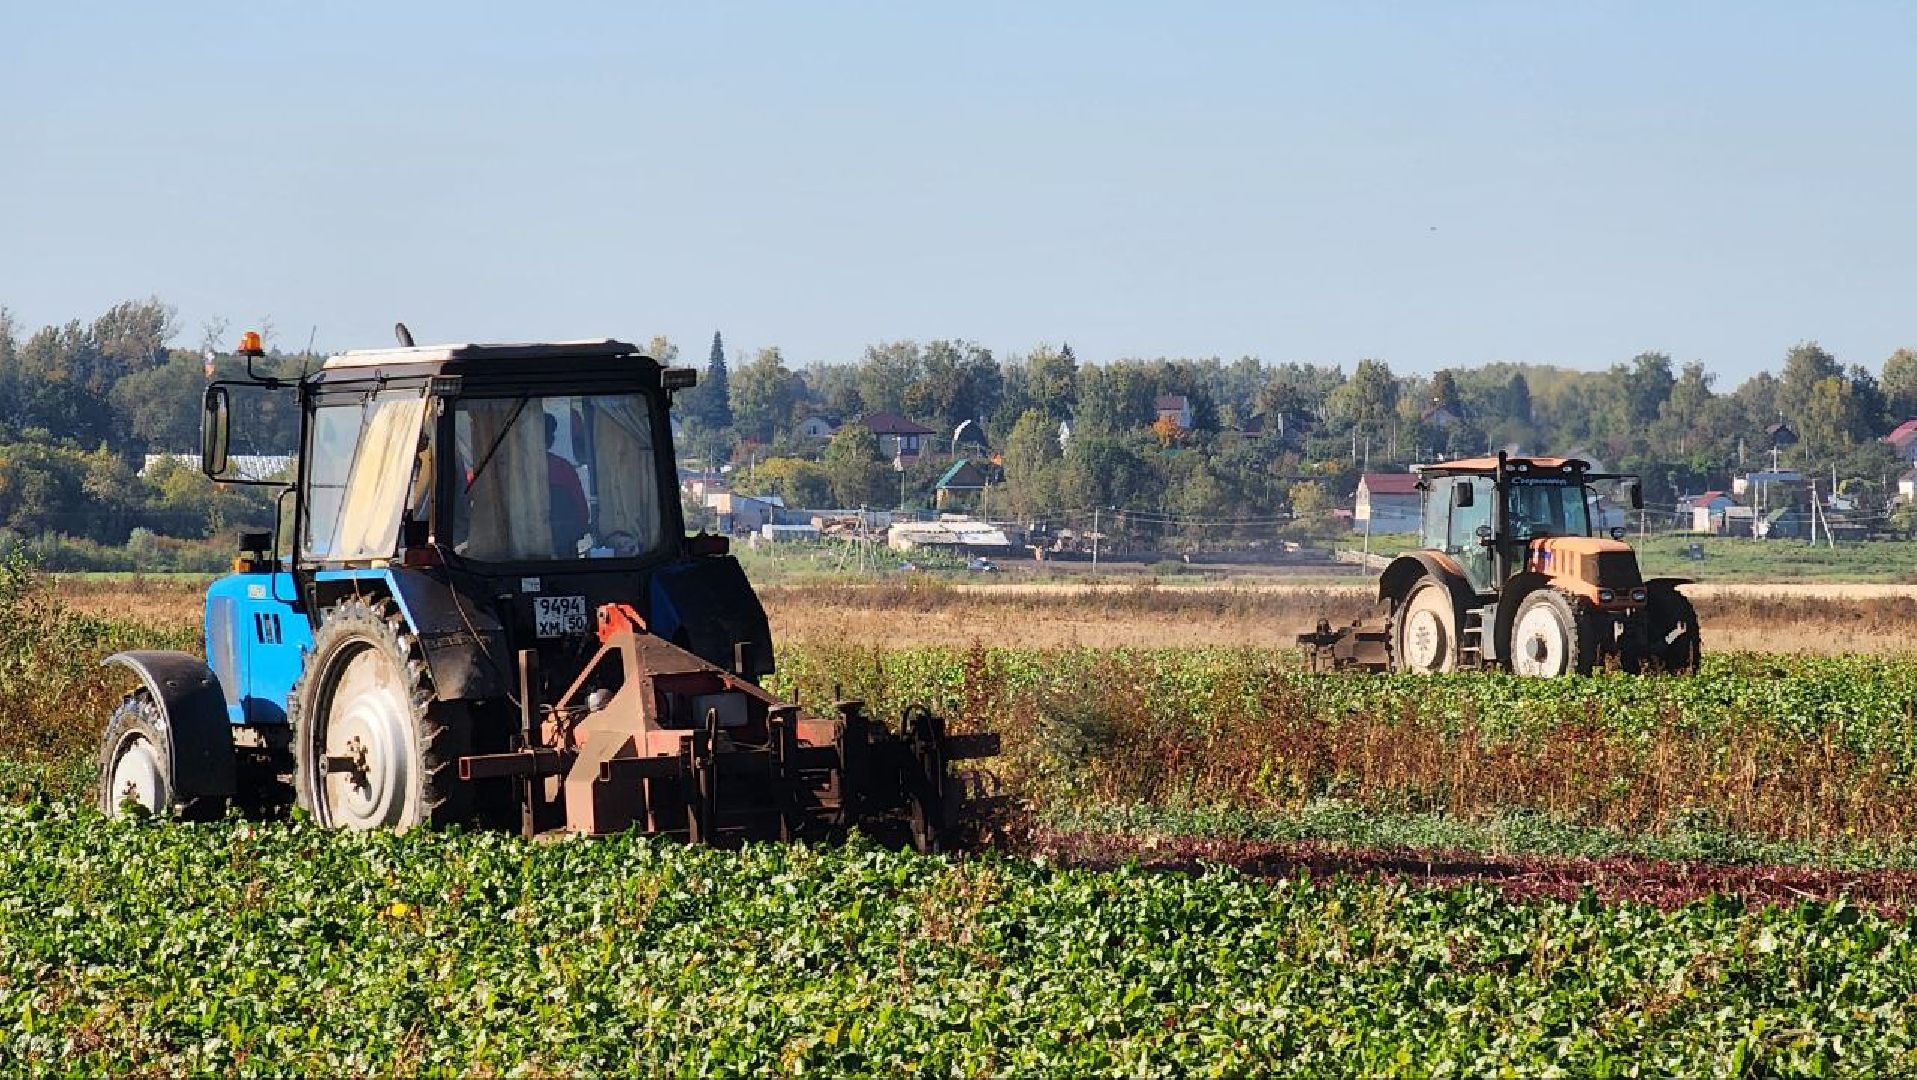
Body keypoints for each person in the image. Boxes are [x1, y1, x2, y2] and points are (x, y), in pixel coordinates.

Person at [546, 413, 590, 555]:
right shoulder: (563, 467)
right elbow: (582, 513)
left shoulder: (562, 468)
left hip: (563, 546)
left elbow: (582, 513)